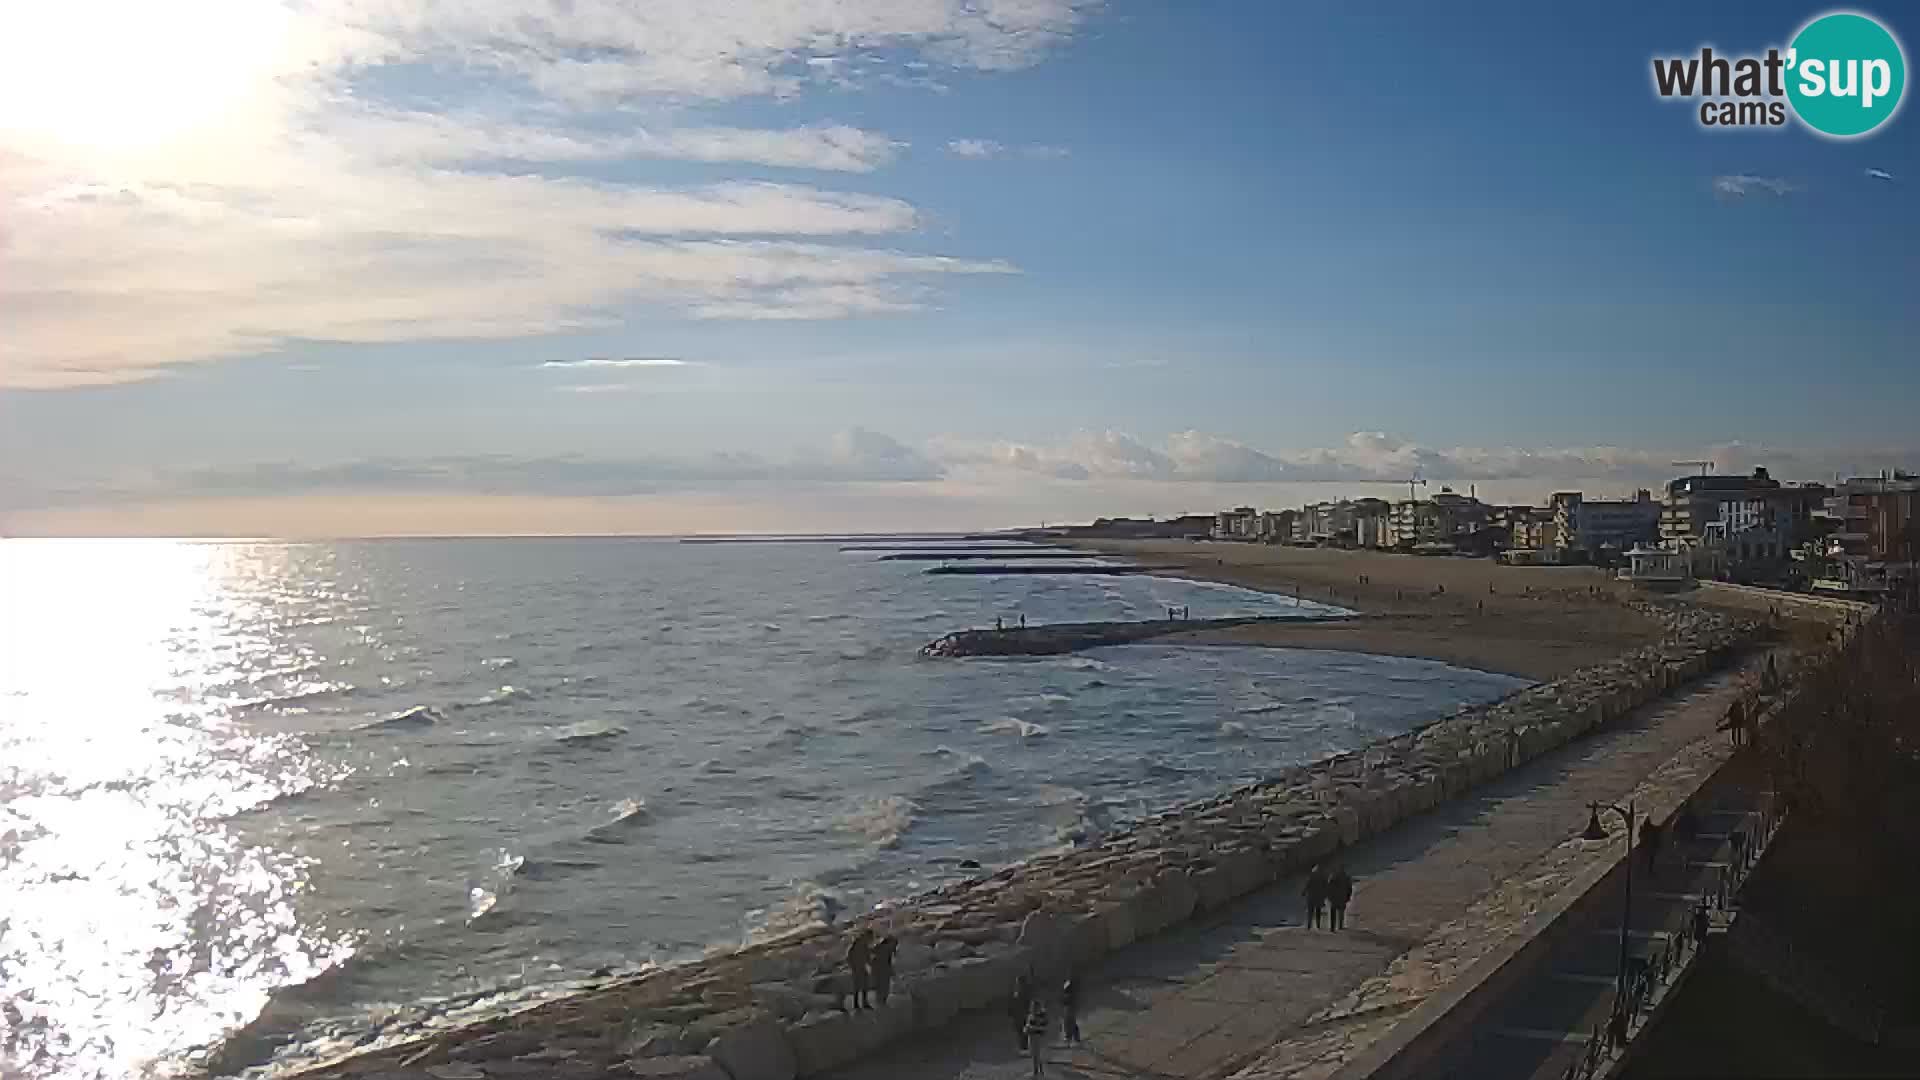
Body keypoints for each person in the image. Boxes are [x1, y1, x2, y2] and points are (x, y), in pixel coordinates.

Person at [845, 929, 873, 1010]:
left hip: (860, 968)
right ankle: (861, 1004)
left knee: (860, 986)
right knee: (861, 986)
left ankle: (859, 1004)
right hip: (859, 968)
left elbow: (866, 955)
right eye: (870, 937)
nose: (870, 939)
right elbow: (850, 956)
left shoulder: (860, 943)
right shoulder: (859, 943)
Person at [1023, 997, 1050, 1077]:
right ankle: (1038, 1072)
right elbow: (1027, 1026)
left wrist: (1033, 1028)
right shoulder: (1031, 1015)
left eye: (1035, 1007)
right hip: (1031, 1037)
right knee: (1034, 1055)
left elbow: (1045, 1028)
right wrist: (1026, 1029)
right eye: (1032, 1007)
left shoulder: (1042, 1016)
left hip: (1038, 1037)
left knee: (1037, 1055)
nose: (1033, 1008)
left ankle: (1037, 1072)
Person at [869, 934, 897, 1007]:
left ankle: (881, 1000)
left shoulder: (876, 948)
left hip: (881, 969)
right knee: (883, 986)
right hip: (882, 969)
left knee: (881, 986)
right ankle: (881, 1000)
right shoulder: (885, 948)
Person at [1010, 974, 1033, 1051]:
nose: (1017, 984)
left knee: (1023, 1032)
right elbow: (1013, 1005)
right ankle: (1023, 1047)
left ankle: (1024, 1047)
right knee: (1021, 1032)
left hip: (1023, 1016)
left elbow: (1028, 1003)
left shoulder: (1024, 992)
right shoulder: (1017, 992)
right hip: (1019, 1016)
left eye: (1018, 982)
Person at [1327, 866, 1354, 931]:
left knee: (1333, 912)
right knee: (1341, 912)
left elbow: (1328, 887)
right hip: (1342, 896)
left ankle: (1332, 927)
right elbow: (1349, 888)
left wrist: (1329, 896)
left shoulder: (1333, 876)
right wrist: (1348, 897)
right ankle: (1340, 926)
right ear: (1344, 870)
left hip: (1334, 897)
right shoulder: (1347, 877)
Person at [1302, 864, 1328, 929]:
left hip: (1311, 897)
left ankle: (1309, 925)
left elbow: (1307, 885)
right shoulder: (1323, 877)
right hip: (1319, 897)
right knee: (1318, 911)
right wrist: (1325, 895)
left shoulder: (1311, 876)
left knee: (1310, 912)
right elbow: (1326, 887)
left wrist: (1303, 892)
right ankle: (1318, 925)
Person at [1059, 978, 1081, 1045]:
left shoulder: (1070, 994)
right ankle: (1074, 1037)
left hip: (1069, 1009)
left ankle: (1072, 1037)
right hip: (1069, 1009)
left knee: (1070, 1023)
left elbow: (1065, 1001)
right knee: (1070, 1023)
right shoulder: (1068, 994)